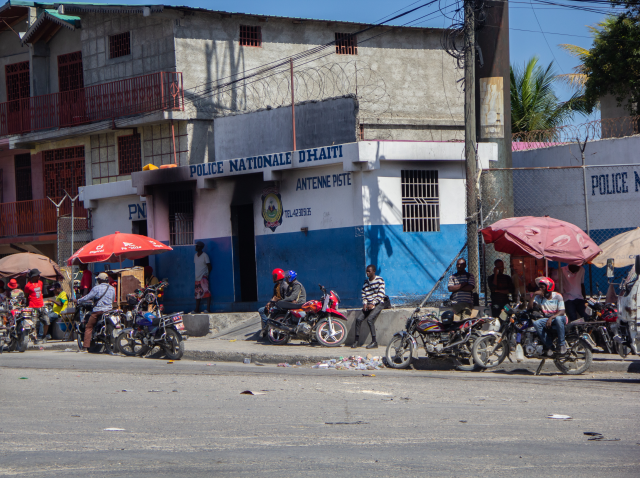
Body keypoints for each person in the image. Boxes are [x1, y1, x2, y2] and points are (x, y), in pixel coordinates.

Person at [77, 272, 116, 354]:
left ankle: (85, 347)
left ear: (99, 280)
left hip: (98, 310)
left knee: (89, 327)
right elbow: (112, 300)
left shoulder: (96, 288)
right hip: (109, 311)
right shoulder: (112, 288)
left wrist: (78, 301)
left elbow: (88, 297)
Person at [528, 276, 567, 355]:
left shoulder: (557, 296)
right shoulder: (539, 297)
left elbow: (562, 311)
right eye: (539, 287)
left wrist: (551, 318)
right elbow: (530, 308)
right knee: (536, 323)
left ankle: (562, 344)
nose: (540, 289)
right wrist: (534, 295)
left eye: (542, 287)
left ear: (548, 287)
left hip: (560, 318)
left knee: (558, 319)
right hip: (548, 319)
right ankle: (550, 345)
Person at [352, 265, 386, 349]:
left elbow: (381, 294)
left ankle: (374, 342)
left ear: (374, 271)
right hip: (369, 304)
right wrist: (365, 304)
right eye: (366, 271)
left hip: (379, 303)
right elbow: (364, 294)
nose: (367, 273)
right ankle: (356, 341)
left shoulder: (380, 280)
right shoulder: (366, 282)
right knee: (358, 319)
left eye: (369, 271)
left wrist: (373, 303)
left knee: (370, 319)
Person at [259, 268, 287, 338]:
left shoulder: (285, 285)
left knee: (269, 312)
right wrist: (269, 303)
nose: (272, 278)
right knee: (261, 310)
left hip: (280, 306)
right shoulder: (276, 286)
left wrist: (275, 301)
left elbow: (285, 299)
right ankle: (267, 325)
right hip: (275, 304)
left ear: (277, 276)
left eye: (274, 276)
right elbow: (274, 297)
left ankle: (266, 327)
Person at [24, 269, 49, 343]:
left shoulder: (40, 283)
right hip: (33, 306)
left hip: (41, 305)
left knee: (46, 321)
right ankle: (35, 338)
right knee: (33, 323)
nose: (39, 276)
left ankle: (44, 336)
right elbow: (26, 296)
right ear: (33, 276)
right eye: (37, 275)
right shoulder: (28, 286)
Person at [193, 241, 212, 313]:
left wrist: (206, 275)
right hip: (197, 277)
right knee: (197, 294)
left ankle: (208, 309)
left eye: (197, 246)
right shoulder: (195, 255)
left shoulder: (205, 255)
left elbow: (209, 266)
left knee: (206, 292)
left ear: (200, 247)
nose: (196, 247)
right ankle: (197, 309)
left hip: (203, 277)